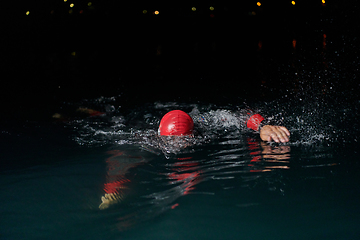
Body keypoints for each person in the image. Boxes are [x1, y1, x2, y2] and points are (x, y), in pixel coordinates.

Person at [158, 109, 290, 143]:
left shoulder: (207, 124)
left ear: (193, 135)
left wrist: (262, 126)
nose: (177, 146)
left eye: (182, 140)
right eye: (171, 141)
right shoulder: (146, 139)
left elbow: (240, 114)